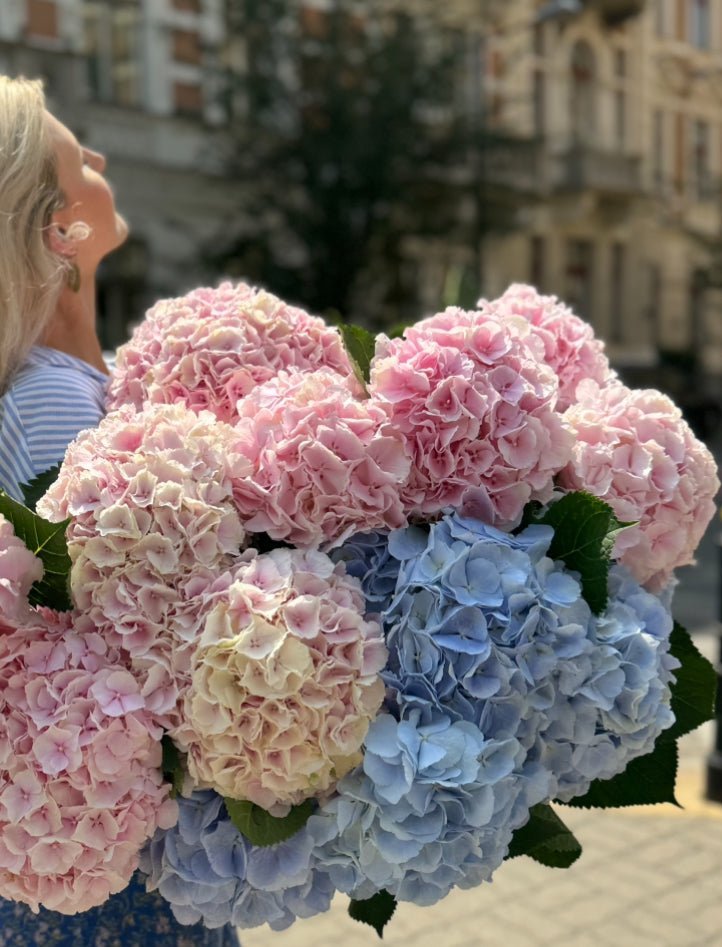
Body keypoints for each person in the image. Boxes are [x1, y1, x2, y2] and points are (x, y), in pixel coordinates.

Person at [0, 76, 240, 947]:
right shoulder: (54, 400)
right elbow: (146, 638)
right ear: (50, 231)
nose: (100, 159)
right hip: (112, 885)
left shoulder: (52, 384)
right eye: (77, 158)